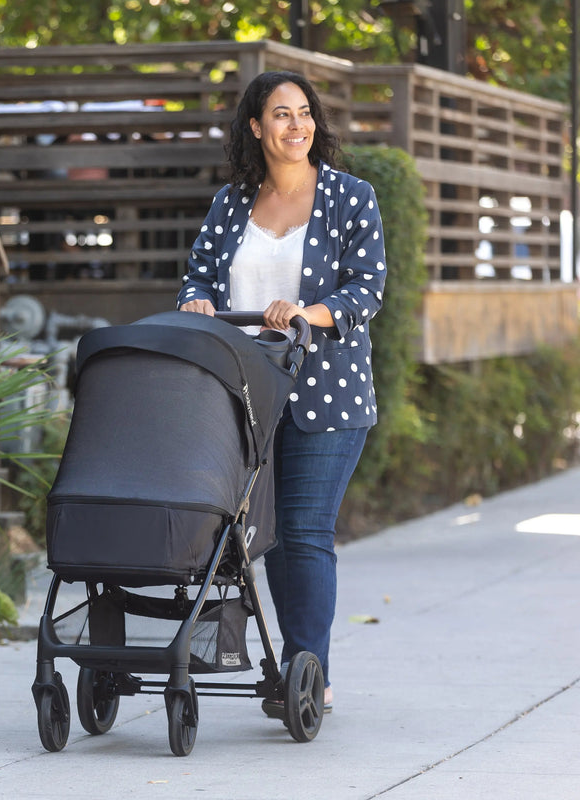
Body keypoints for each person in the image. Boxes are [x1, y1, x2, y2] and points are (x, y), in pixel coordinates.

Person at [177, 70, 386, 716]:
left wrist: (304, 313)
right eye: (281, 114)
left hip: (328, 394)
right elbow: (198, 275)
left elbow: (365, 289)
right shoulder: (232, 202)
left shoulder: (351, 198)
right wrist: (197, 302)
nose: (296, 126)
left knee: (305, 529)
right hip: (246, 394)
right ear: (256, 127)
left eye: (304, 114)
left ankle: (308, 674)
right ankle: (294, 668)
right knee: (264, 533)